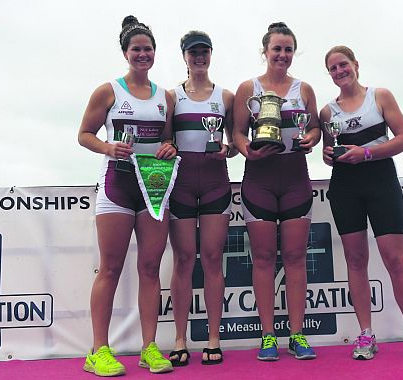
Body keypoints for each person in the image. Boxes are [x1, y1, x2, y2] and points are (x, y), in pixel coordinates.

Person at [78, 15, 177, 376]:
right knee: (111, 268)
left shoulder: (165, 96)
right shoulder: (109, 91)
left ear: (155, 53)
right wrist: (107, 146)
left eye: (148, 49)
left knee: (150, 268)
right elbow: (85, 134)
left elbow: (169, 140)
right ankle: (97, 351)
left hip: (152, 188)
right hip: (116, 185)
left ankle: (149, 347)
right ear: (125, 52)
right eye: (136, 49)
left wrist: (168, 147)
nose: (143, 54)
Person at [320, 45, 403, 362]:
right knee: (356, 261)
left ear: (356, 65)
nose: (340, 71)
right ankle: (366, 335)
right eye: (333, 69)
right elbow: (330, 155)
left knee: (395, 260)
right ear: (329, 74)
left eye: (343, 65)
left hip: (381, 180)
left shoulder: (379, 96)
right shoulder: (328, 112)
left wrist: (367, 153)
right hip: (346, 186)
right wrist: (328, 155)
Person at [232, 22, 321, 361]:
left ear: (293, 53)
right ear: (265, 51)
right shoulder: (248, 89)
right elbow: (237, 132)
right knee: (265, 259)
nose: (282, 55)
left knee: (297, 258)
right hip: (260, 180)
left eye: (288, 49)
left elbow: (313, 127)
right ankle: (268, 335)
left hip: (296, 178)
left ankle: (297, 334)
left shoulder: (305, 89)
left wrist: (313, 137)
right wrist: (245, 149)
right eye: (277, 49)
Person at [167, 30, 236, 366]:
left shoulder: (226, 96)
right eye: (193, 52)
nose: (199, 57)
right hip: (180, 183)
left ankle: (213, 337)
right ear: (184, 56)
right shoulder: (170, 97)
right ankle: (180, 339)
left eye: (204, 51)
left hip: (215, 183)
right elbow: (164, 141)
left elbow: (236, 142)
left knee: (211, 257)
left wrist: (228, 148)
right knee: (183, 259)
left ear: (211, 54)